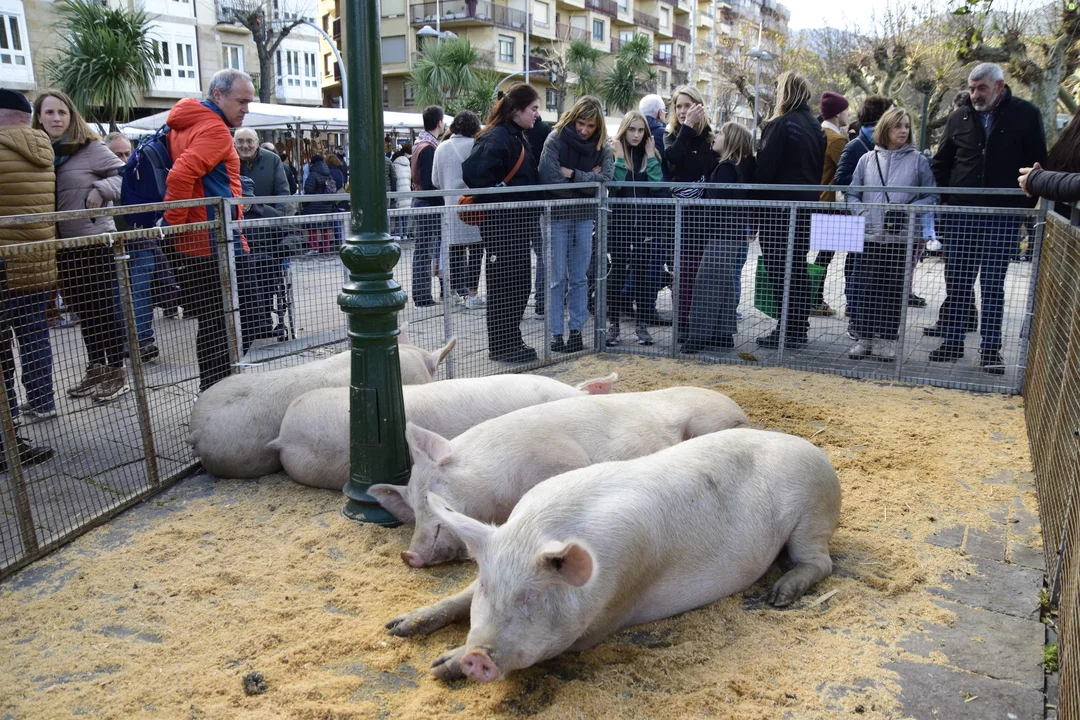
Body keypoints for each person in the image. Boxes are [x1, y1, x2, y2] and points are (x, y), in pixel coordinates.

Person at [928, 62, 1046, 374]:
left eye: (981, 88)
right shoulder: (959, 118)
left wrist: (1022, 205)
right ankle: (952, 342)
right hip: (962, 215)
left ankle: (991, 350)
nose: (975, 94)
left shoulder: (1026, 114)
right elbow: (942, 163)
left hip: (1002, 216)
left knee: (993, 284)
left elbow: (1037, 165)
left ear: (1000, 86)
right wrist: (944, 202)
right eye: (971, 88)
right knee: (958, 282)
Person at [33, 90, 129, 402]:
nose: (56, 118)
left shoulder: (90, 147)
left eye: (62, 112)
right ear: (39, 117)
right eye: (49, 112)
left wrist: (101, 189)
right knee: (83, 310)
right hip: (62, 244)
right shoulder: (40, 152)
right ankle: (96, 368)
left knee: (103, 308)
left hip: (93, 240)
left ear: (72, 116)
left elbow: (126, 176)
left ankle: (117, 371)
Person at [162, 68, 253, 392]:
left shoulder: (187, 123)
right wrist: (173, 226)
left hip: (201, 240)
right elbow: (180, 175)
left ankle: (214, 391)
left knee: (214, 323)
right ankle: (218, 393)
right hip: (213, 242)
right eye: (240, 101)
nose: (246, 109)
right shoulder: (213, 128)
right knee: (234, 321)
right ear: (218, 95)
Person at [846, 107, 939, 361]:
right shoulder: (866, 160)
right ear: (885, 129)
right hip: (870, 236)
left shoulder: (918, 161)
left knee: (893, 290)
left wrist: (910, 210)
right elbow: (852, 193)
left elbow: (931, 195)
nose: (903, 131)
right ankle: (865, 337)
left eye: (907, 126)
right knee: (865, 288)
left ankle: (887, 339)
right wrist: (862, 212)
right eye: (898, 126)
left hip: (901, 238)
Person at [462, 83, 542, 364]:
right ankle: (502, 344)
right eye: (533, 108)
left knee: (518, 284)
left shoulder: (514, 136)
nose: (536, 114)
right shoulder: (497, 137)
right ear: (516, 110)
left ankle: (510, 339)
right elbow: (474, 173)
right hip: (503, 225)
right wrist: (501, 197)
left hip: (516, 224)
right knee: (504, 286)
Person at [0, 88, 56, 468]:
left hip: (4, 264)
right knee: (34, 333)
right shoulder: (44, 147)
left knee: (3, 352)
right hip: (36, 262)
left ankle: (8, 435)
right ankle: (41, 400)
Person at [753, 71, 827, 350]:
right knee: (796, 267)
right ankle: (797, 327)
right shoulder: (816, 126)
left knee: (779, 268)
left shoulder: (780, 124)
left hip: (779, 209)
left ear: (784, 93)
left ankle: (787, 328)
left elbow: (765, 169)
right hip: (806, 206)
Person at [539, 95, 613, 353]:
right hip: (556, 217)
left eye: (591, 125)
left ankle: (576, 331)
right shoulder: (555, 138)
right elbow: (550, 180)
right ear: (573, 119)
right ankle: (556, 333)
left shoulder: (602, 145)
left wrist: (571, 174)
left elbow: (606, 179)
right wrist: (587, 180)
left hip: (584, 218)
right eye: (581, 123)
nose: (584, 130)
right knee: (556, 279)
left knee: (579, 278)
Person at [683, 122, 757, 354]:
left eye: (720, 133)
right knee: (724, 286)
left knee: (707, 284)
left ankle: (698, 336)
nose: (715, 135)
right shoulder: (734, 167)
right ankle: (723, 334)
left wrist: (703, 222)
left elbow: (718, 206)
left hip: (722, 234)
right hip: (733, 233)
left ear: (731, 140)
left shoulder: (725, 168)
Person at [105, 131, 176, 362]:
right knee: (119, 293)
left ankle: (143, 341)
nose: (124, 158)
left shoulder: (139, 171)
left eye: (127, 153)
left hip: (142, 241)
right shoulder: (103, 176)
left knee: (140, 290)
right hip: (112, 244)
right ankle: (127, 340)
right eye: (118, 154)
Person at [608, 110, 665, 347]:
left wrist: (651, 158)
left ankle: (641, 326)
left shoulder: (651, 154)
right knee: (616, 276)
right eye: (632, 129)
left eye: (641, 130)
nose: (636, 135)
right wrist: (620, 159)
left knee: (642, 277)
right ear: (624, 130)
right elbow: (613, 188)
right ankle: (613, 325)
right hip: (620, 227)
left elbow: (658, 188)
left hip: (645, 228)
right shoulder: (614, 153)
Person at [664, 86, 717, 336]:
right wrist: (686, 128)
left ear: (699, 106)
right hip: (680, 218)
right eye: (679, 106)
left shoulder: (709, 137)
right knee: (683, 273)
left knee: (703, 274)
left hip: (706, 217)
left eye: (688, 105)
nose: (683, 110)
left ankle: (704, 325)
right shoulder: (671, 135)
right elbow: (673, 158)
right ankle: (682, 325)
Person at [235, 127, 291, 344]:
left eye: (249, 141)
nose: (245, 145)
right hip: (238, 225)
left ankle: (261, 321)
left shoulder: (272, 160)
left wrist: (275, 220)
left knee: (265, 268)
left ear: (257, 143)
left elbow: (282, 192)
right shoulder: (228, 159)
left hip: (266, 227)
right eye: (240, 141)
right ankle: (251, 323)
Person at [431, 110, 485, 309]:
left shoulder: (441, 148)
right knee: (476, 252)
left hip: (451, 207)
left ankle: (452, 293)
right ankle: (472, 295)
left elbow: (435, 181)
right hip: (473, 205)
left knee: (454, 252)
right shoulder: (476, 146)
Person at [808, 91, 850, 317]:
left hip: (816, 200)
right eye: (846, 110)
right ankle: (816, 298)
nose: (849, 114)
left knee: (821, 254)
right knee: (827, 255)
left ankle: (814, 297)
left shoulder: (816, 132)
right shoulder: (837, 140)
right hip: (831, 204)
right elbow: (848, 171)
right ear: (837, 113)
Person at [410, 105, 446, 308]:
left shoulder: (419, 144)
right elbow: (430, 181)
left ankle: (422, 295)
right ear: (439, 123)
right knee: (427, 251)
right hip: (429, 204)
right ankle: (423, 296)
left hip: (420, 201)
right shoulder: (429, 148)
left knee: (423, 250)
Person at [524, 113, 551, 318]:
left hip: (522, 202)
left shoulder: (516, 131)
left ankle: (519, 304)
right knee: (542, 254)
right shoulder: (545, 130)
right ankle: (540, 303)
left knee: (523, 254)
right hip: (541, 201)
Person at [301, 153, 338, 255]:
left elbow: (308, 189)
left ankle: (314, 247)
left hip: (314, 206)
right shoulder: (328, 173)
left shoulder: (313, 174)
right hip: (326, 205)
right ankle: (326, 247)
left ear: (313, 163)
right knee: (325, 227)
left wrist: (305, 202)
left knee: (313, 227)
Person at [391, 143, 413, 239]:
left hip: (399, 190)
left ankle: (399, 233)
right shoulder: (408, 165)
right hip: (407, 190)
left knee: (398, 213)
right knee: (406, 211)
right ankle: (405, 233)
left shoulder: (395, 165)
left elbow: (394, 179)